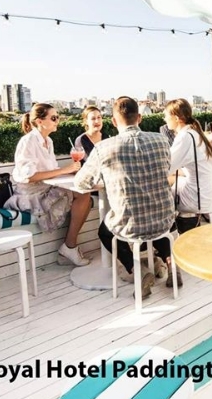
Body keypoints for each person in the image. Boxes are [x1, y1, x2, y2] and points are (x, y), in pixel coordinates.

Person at [74, 96, 174, 299]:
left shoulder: (103, 148)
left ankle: (137, 271)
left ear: (113, 121)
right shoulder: (161, 140)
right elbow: (166, 169)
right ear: (139, 118)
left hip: (131, 226)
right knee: (153, 214)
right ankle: (171, 266)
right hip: (165, 220)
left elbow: (80, 183)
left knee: (106, 231)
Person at [7, 103, 92, 266]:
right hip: (31, 194)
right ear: (39, 121)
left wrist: (70, 172)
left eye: (58, 117)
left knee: (85, 196)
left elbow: (50, 171)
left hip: (45, 187)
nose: (57, 121)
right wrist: (64, 170)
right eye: (53, 118)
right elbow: (30, 177)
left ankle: (69, 247)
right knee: (84, 196)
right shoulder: (28, 141)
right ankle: (69, 247)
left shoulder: (48, 141)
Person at [163, 99, 212, 288]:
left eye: (166, 116)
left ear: (177, 118)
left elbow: (166, 166)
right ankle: (170, 246)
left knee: (162, 198)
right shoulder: (195, 133)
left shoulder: (185, 137)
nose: (164, 120)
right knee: (170, 184)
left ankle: (168, 250)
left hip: (197, 197)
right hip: (206, 192)